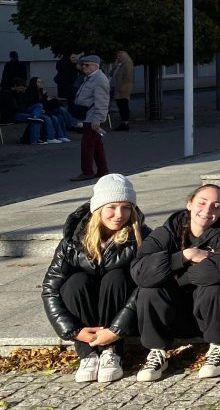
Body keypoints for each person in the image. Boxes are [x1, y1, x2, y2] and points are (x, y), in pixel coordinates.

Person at [42, 174, 148, 384]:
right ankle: (87, 354)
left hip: (121, 313)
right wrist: (74, 331)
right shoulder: (73, 241)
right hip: (84, 313)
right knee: (75, 282)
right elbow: (50, 289)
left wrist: (115, 330)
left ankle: (111, 352)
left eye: (126, 207)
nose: (119, 214)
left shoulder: (141, 238)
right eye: (112, 207)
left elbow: (145, 286)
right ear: (97, 209)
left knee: (117, 277)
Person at [130, 184, 220, 381]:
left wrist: (172, 275)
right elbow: (140, 272)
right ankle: (157, 352)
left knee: (215, 285)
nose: (207, 210)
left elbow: (218, 270)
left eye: (216, 206)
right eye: (202, 203)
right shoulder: (168, 230)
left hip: (213, 314)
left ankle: (219, 349)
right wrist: (184, 256)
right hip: (175, 314)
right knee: (150, 289)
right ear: (189, 204)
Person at [70, 54, 110, 182]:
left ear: (95, 66)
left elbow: (102, 101)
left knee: (87, 145)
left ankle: (87, 171)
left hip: (92, 117)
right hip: (88, 115)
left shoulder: (99, 79)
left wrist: (97, 119)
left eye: (87, 65)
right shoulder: (90, 78)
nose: (83, 67)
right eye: (83, 65)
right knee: (97, 145)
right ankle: (103, 170)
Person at [109, 50, 133, 130]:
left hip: (123, 88)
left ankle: (125, 123)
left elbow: (127, 77)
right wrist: (114, 66)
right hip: (117, 87)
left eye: (120, 56)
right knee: (120, 105)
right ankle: (123, 122)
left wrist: (120, 87)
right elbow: (111, 74)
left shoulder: (127, 65)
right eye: (117, 56)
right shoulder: (119, 65)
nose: (118, 58)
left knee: (123, 105)